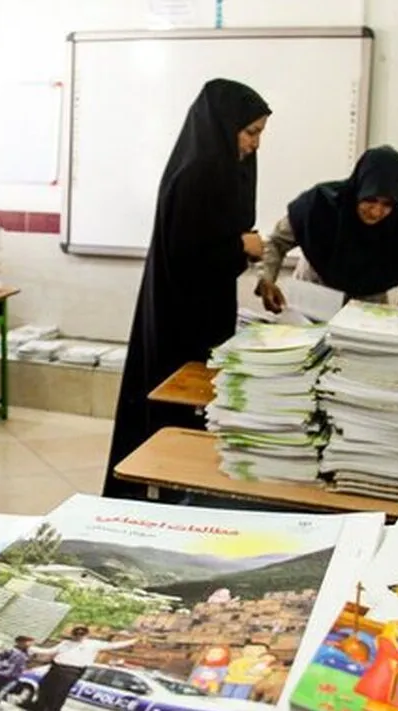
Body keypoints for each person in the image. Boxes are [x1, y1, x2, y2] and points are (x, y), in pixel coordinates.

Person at [102, 79, 271, 499]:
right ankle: (170, 498)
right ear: (223, 126)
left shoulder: (226, 170)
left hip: (207, 310)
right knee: (175, 413)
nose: (255, 144)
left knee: (203, 411)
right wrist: (241, 246)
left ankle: (193, 497)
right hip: (180, 317)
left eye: (259, 134)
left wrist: (243, 247)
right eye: (250, 132)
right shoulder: (196, 174)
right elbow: (188, 256)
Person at [255, 145, 398, 315]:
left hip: (366, 310)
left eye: (387, 204)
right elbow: (277, 241)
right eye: (370, 199)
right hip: (312, 297)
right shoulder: (320, 204)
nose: (376, 211)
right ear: (360, 187)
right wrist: (266, 278)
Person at [23, 626, 139, 711]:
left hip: (71, 672)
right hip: (56, 668)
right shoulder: (65, 643)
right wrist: (32, 648)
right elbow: (50, 651)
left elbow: (113, 645)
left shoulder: (92, 644)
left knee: (58, 695)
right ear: (73, 634)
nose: (78, 636)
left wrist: (133, 641)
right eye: (76, 634)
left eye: (81, 634)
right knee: (45, 690)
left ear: (86, 635)